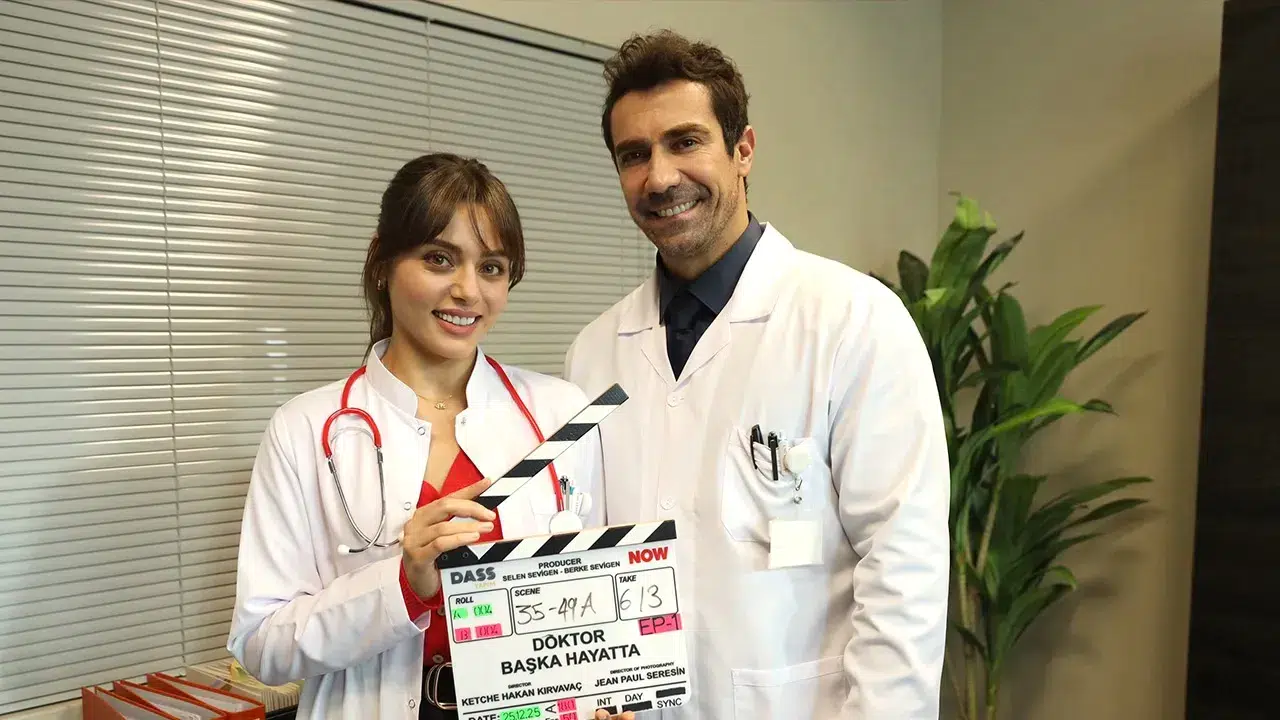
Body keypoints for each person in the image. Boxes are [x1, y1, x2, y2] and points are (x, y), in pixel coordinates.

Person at [565, 30, 951, 719]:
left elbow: (904, 574)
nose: (659, 178)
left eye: (685, 142)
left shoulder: (853, 321)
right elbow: (584, 568)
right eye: (634, 155)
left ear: (743, 150)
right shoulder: (594, 353)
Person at [228, 153, 604, 720]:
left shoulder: (561, 415)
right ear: (382, 260)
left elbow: (595, 598)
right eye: (439, 259)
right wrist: (403, 585)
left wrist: (605, 694)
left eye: (491, 267)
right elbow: (262, 645)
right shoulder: (304, 429)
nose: (467, 290)